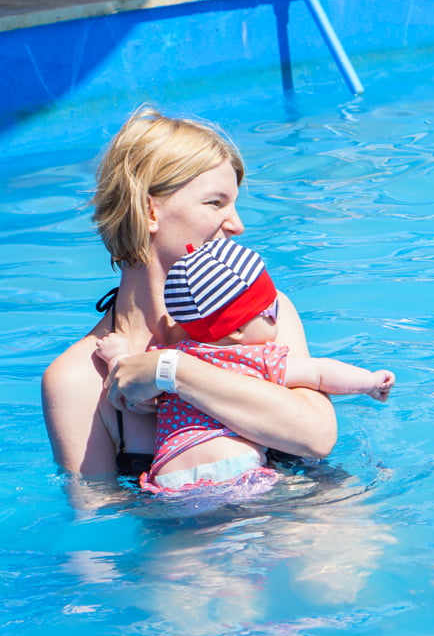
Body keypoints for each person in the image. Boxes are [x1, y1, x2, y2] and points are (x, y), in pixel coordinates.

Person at [42, 105, 340, 480]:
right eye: (216, 203)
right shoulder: (78, 378)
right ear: (149, 211)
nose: (237, 225)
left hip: (312, 512)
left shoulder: (263, 312)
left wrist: (171, 371)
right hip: (188, 535)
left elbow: (317, 437)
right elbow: (99, 523)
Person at [96, 238, 395, 492]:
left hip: (170, 481)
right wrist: (369, 382)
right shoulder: (257, 357)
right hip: (238, 471)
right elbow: (320, 373)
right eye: (270, 310)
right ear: (237, 331)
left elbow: (130, 386)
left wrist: (117, 355)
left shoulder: (165, 354)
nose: (277, 315)